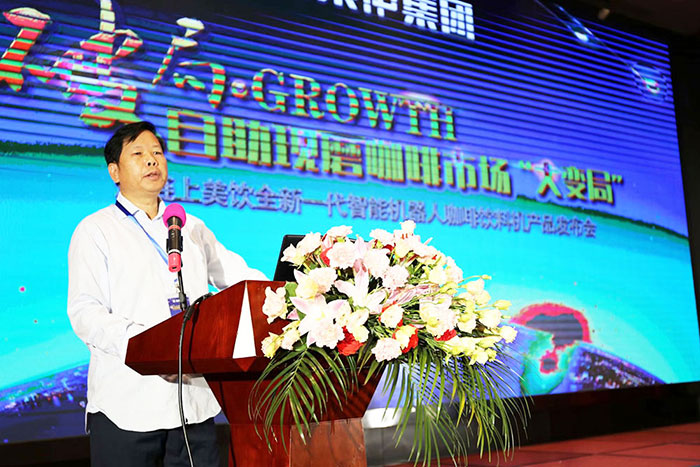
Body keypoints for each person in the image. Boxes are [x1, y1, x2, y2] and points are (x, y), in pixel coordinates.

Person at [67, 121, 265, 467]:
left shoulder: (191, 226)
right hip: (127, 406)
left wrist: (286, 293)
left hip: (193, 407)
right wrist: (147, 348)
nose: (152, 160)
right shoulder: (96, 230)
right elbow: (85, 311)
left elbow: (238, 278)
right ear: (114, 171)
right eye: (138, 154)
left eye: (157, 152)